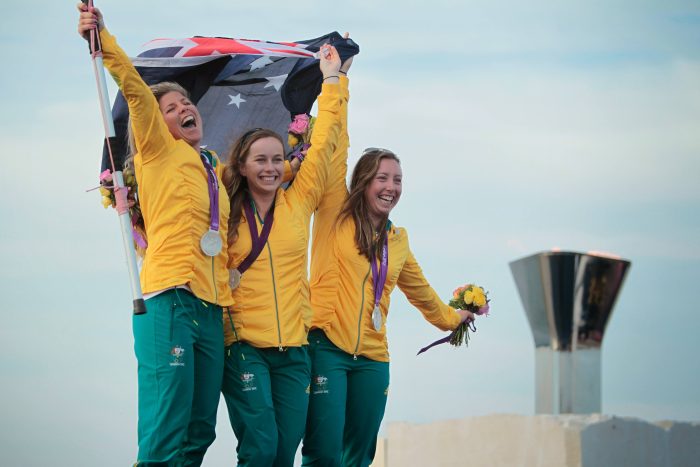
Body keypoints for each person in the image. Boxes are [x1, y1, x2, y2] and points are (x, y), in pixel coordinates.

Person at [78, 5, 232, 465]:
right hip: (169, 298)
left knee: (200, 430)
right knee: (166, 429)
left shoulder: (213, 167)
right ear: (155, 124)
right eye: (172, 107)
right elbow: (136, 92)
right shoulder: (156, 150)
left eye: (187, 103)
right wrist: (103, 40)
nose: (185, 108)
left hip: (211, 307)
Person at [300, 110, 474, 465]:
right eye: (382, 178)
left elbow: (421, 293)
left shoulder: (397, 240)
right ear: (363, 182)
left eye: (397, 180)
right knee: (324, 453)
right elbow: (336, 149)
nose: (391, 187)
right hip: (326, 347)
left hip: (373, 359)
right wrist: (338, 79)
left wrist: (453, 319)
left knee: (360, 456)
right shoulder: (334, 214)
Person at [219, 45, 343, 466]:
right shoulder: (223, 209)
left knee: (284, 450)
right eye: (260, 160)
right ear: (243, 165)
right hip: (244, 345)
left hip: (294, 350)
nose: (271, 168)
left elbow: (324, 145)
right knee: (260, 445)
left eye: (277, 159)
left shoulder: (299, 201)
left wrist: (332, 80)